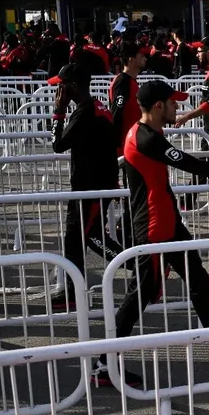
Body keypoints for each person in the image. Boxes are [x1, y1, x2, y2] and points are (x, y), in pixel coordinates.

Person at [95, 80, 209, 388]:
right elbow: (193, 165)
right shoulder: (145, 138)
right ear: (158, 106)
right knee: (140, 294)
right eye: (172, 103)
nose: (177, 107)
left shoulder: (148, 133)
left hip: (168, 223)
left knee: (198, 279)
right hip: (154, 228)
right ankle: (103, 363)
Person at [48, 64, 126, 308]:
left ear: (72, 85)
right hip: (95, 184)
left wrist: (58, 112)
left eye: (61, 85)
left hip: (90, 187)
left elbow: (58, 145)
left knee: (84, 238)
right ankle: (74, 290)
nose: (58, 91)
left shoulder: (85, 112)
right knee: (84, 237)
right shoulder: (98, 107)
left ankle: (141, 266)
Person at [109, 42, 147, 154]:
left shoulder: (130, 80)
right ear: (131, 59)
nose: (145, 58)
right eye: (141, 55)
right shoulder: (122, 81)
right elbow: (117, 112)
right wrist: (116, 144)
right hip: (124, 144)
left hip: (133, 140)